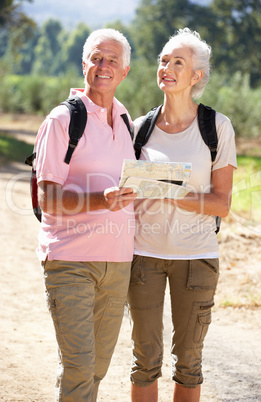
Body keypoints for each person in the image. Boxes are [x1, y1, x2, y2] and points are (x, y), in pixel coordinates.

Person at [127, 27, 237, 401]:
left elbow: (222, 203)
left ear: (196, 76)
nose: (167, 67)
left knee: (189, 362)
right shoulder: (139, 128)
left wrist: (165, 188)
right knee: (144, 360)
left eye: (178, 62)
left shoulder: (216, 127)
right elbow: (126, 190)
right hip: (143, 257)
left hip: (197, 258)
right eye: (163, 60)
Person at [35, 28, 137, 401]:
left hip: (118, 262)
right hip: (70, 260)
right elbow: (48, 198)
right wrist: (100, 199)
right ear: (84, 65)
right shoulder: (62, 120)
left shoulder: (127, 122)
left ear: (125, 71)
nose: (103, 65)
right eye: (96, 58)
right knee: (79, 367)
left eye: (112, 60)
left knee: (96, 369)